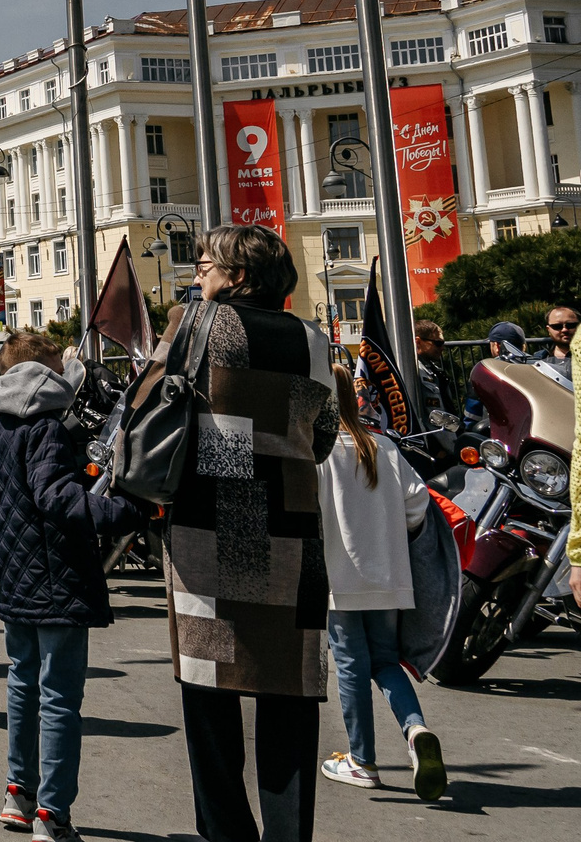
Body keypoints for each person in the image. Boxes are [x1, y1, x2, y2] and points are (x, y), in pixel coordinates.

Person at [159, 226, 338, 842]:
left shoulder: (194, 323)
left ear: (238, 275)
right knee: (290, 692)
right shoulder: (312, 339)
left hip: (209, 524)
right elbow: (322, 438)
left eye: (205, 263)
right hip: (290, 528)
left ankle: (227, 832)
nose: (198, 273)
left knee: (209, 691)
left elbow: (149, 409)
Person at [0, 329, 144, 841]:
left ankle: (18, 794)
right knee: (60, 697)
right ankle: (52, 813)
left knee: (22, 684)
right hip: (56, 576)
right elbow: (57, 498)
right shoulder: (44, 429)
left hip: (12, 577)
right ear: (46, 376)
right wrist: (124, 510)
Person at [318, 367, 446, 802]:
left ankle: (362, 761)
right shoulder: (384, 447)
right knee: (386, 662)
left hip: (340, 579)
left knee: (351, 665)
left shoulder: (318, 453)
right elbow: (418, 504)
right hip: (389, 577)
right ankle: (416, 729)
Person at [411, 320, 448, 427]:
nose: (442, 348)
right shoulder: (414, 370)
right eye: (438, 343)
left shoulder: (434, 370)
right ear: (418, 342)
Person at [537, 306, 575, 391]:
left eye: (570, 325)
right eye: (557, 326)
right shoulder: (539, 358)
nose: (564, 330)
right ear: (548, 330)